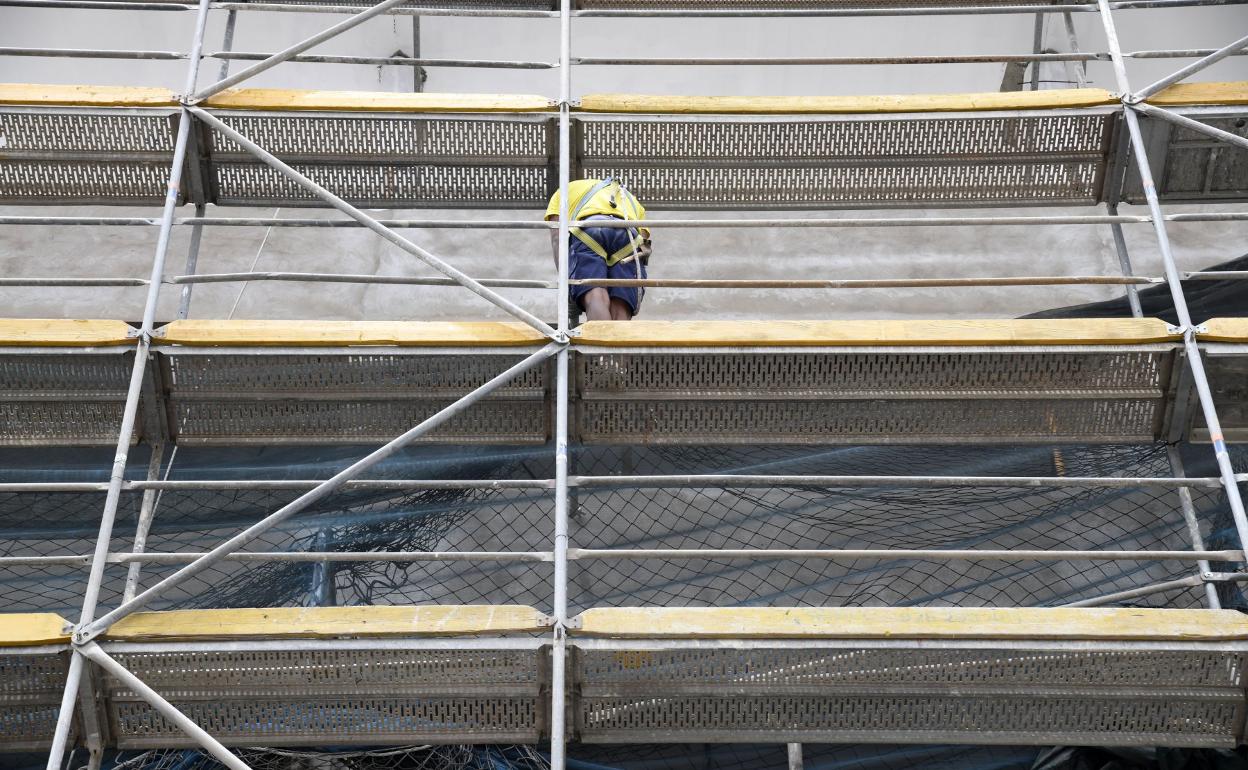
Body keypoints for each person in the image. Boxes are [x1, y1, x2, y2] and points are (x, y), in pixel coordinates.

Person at [545, 177, 651, 321]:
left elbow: (557, 238)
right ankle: (618, 335)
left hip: (590, 231)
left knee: (596, 296)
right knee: (621, 304)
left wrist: (566, 281)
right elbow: (642, 243)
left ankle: (600, 335)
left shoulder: (565, 190)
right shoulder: (631, 200)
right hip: (628, 236)